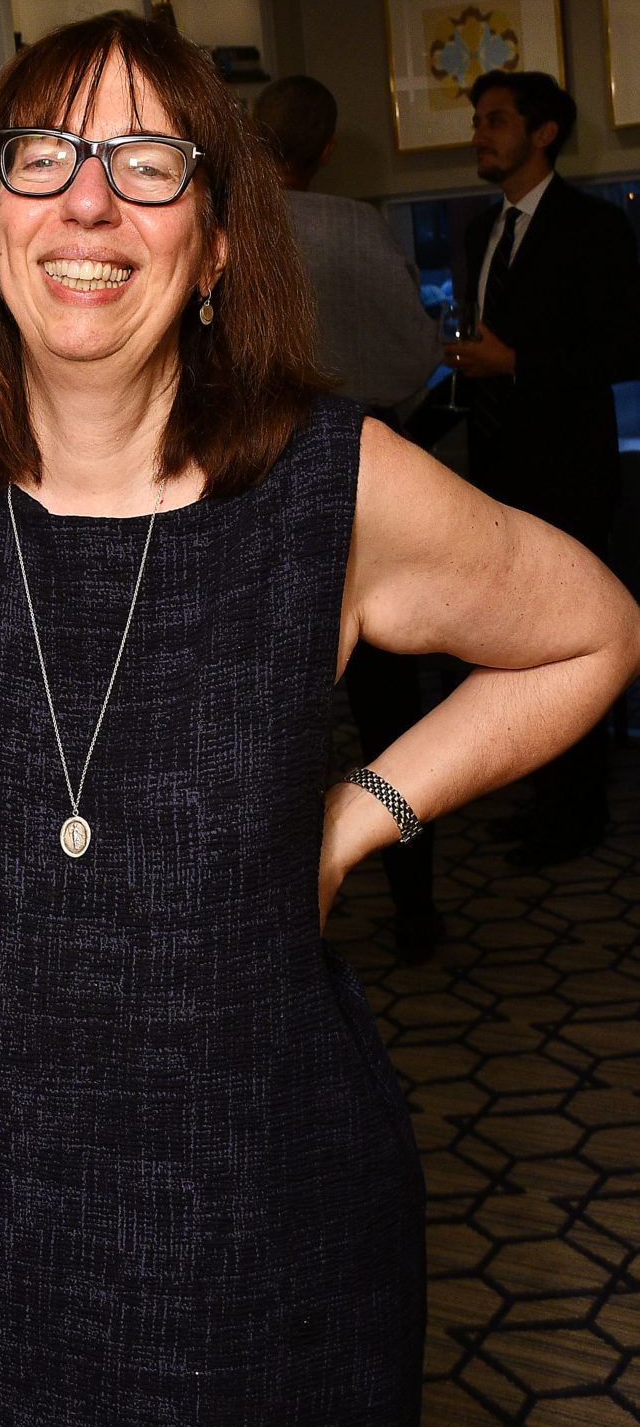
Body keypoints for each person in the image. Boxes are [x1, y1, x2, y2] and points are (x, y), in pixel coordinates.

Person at [0, 12, 640, 1427]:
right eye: (40, 158)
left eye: (148, 166)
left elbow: (585, 630)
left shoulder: (323, 490)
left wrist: (357, 815)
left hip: (250, 1218)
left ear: (210, 242)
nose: (86, 207)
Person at [255, 74, 444, 961]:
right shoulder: (361, 228)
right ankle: (416, 905)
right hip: (377, 487)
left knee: (259, 720)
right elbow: (415, 360)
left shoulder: (230, 232)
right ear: (327, 151)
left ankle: (261, 917)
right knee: (392, 719)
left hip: (252, 487)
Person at [452, 69, 640, 868]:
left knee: (572, 644)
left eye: (495, 120)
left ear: (543, 133)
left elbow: (625, 349)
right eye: (477, 122)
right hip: (492, 474)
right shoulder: (474, 232)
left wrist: (518, 365)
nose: (478, 135)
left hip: (568, 471)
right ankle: (541, 798)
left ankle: (577, 815)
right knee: (516, 649)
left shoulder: (595, 227)